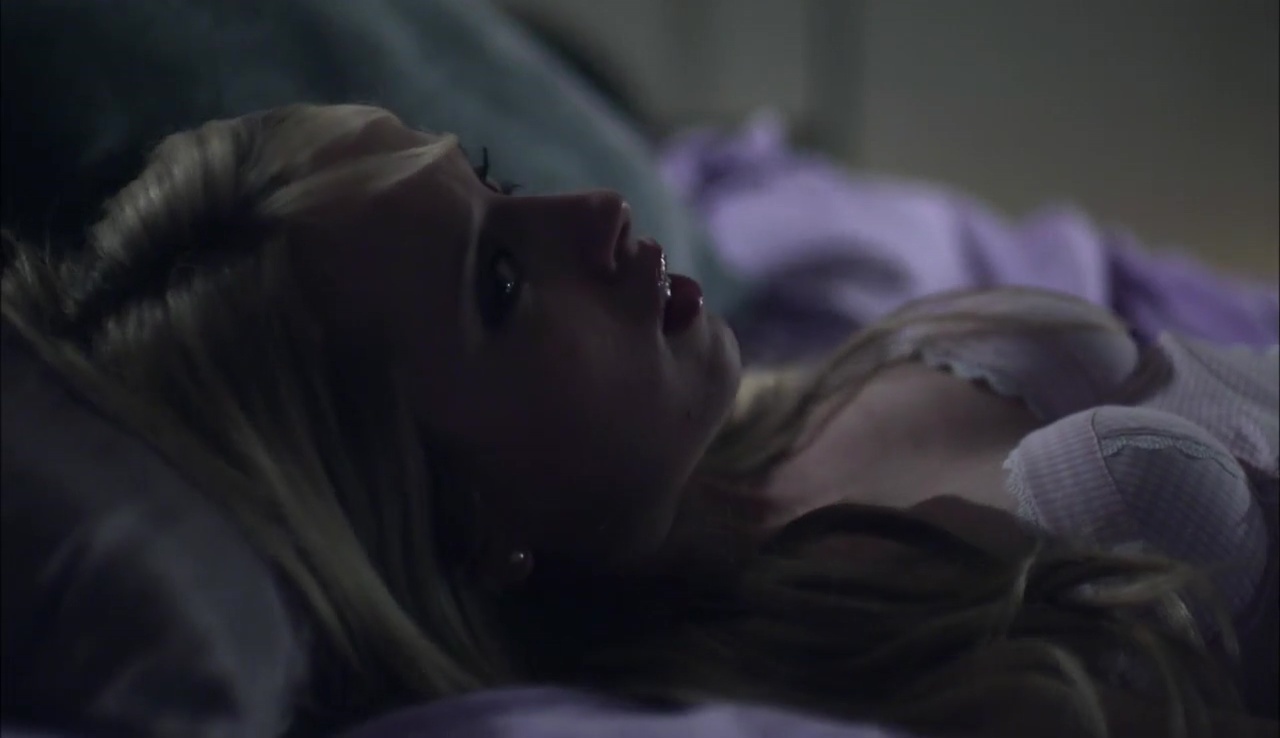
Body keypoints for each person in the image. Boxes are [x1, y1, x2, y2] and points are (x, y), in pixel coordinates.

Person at [2, 104, 1275, 738]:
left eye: (492, 182)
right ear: (456, 519)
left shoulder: (791, 388)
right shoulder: (795, 677)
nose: (594, 213)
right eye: (499, 284)